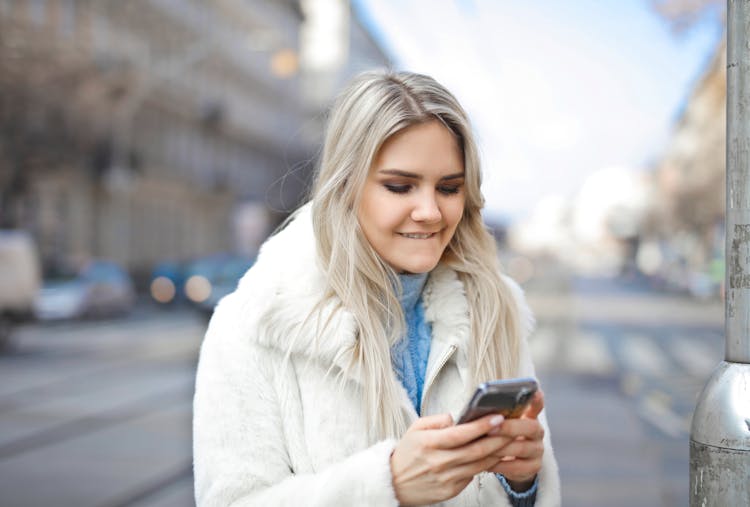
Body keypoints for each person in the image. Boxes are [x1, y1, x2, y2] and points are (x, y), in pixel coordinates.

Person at [193, 70, 560, 506]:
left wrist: (522, 484)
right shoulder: (257, 321)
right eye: (400, 186)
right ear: (347, 187)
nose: (429, 211)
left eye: (449, 188)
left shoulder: (495, 309)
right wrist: (385, 486)